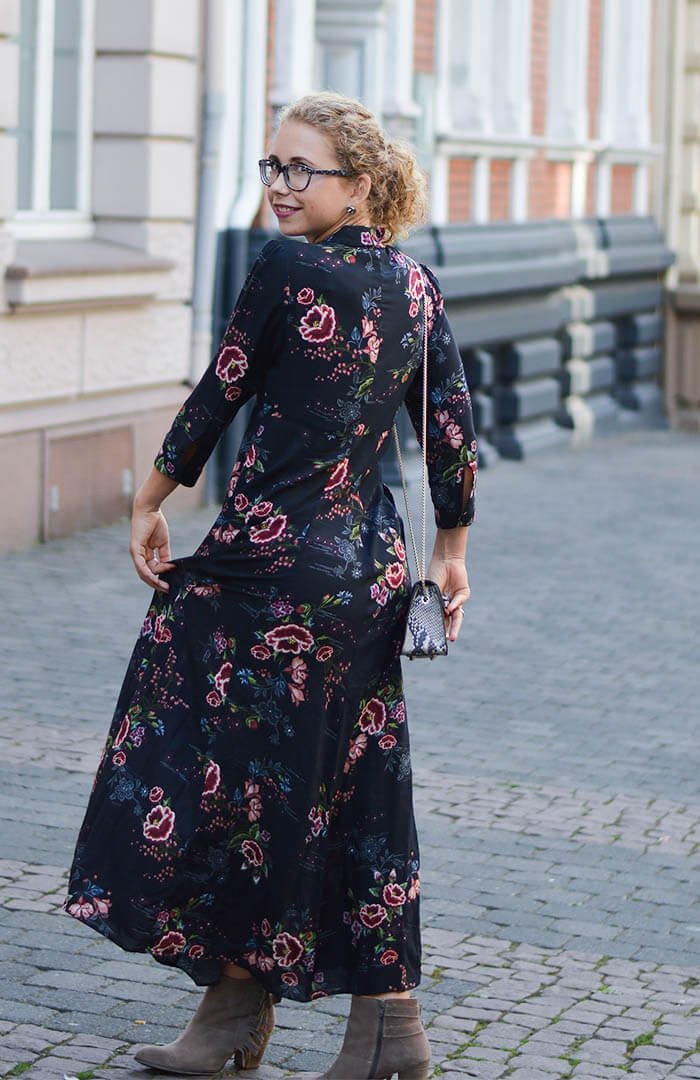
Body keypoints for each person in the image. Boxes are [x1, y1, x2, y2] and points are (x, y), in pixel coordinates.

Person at [64, 91, 477, 1080]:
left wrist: (148, 500)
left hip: (273, 566)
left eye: (301, 170)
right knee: (341, 785)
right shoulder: (417, 285)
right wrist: (450, 554)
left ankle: (303, 1019)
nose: (282, 189)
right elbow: (452, 432)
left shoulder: (286, 267)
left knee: (201, 753)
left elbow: (221, 387)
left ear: (361, 183)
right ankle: (272, 1021)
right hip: (366, 572)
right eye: (272, 168)